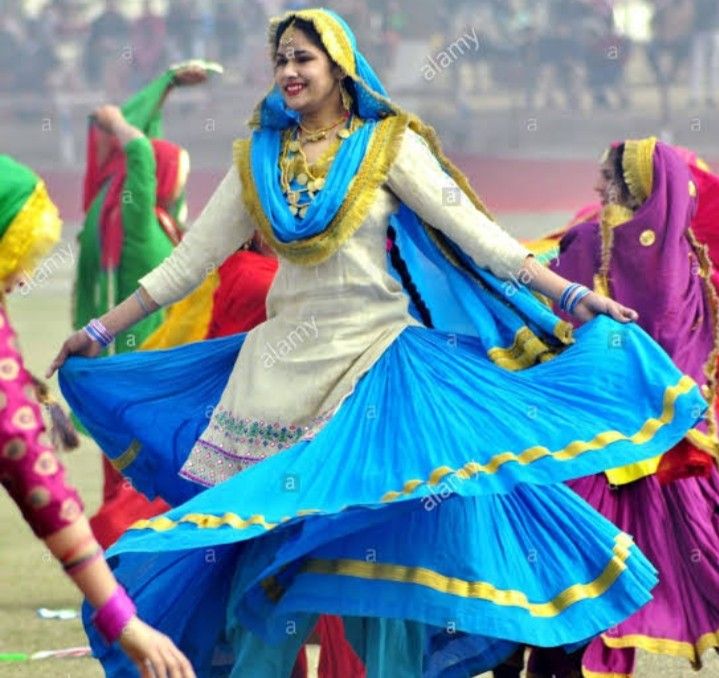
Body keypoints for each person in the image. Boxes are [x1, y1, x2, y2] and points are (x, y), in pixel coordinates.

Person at [50, 9, 707, 677]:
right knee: (261, 574)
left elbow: (478, 237)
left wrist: (569, 297)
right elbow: (190, 261)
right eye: (281, 60)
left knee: (381, 578)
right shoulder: (258, 158)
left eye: (303, 58)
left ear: (339, 66)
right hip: (274, 387)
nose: (289, 71)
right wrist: (100, 330)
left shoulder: (388, 146)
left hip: (376, 377)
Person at [0, 154, 194, 678]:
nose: (25, 277)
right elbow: (41, 488)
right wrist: (123, 621)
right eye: (18, 254)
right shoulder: (144, 225)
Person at [541, 138, 719, 676]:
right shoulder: (690, 260)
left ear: (631, 189)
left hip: (589, 446)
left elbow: (545, 324)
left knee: (565, 569)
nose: (598, 186)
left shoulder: (587, 243)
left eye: (607, 178)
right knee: (690, 568)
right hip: (674, 453)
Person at [74, 62, 218, 548]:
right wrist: (120, 118)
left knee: (129, 486)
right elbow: (137, 150)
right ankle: (120, 556)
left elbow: (142, 146)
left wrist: (165, 86)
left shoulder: (126, 214)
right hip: (140, 384)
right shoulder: (137, 221)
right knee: (137, 492)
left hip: (131, 381)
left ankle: (119, 560)